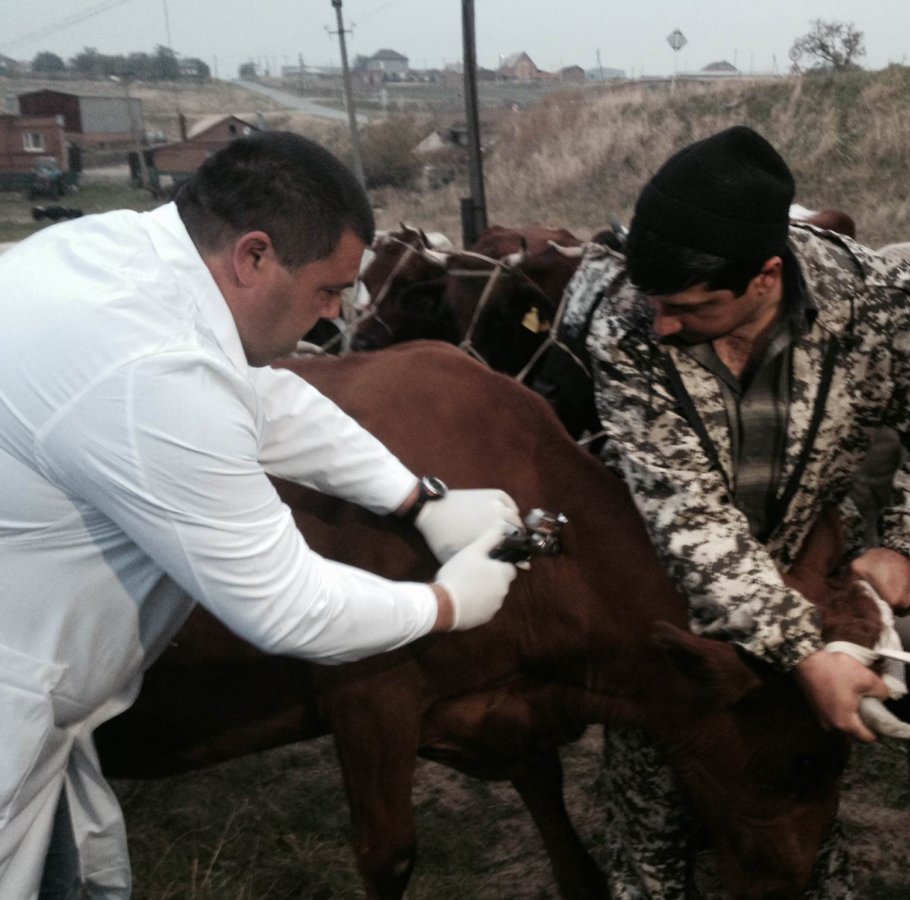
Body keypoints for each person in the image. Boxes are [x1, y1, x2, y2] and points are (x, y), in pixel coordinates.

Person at [0, 131, 521, 900]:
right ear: (253, 256)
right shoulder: (154, 373)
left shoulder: (117, 256)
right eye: (328, 290)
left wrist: (415, 498)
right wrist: (447, 604)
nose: (335, 312)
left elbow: (262, 399)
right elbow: (286, 606)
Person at [573, 126, 910, 897]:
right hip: (664, 585)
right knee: (654, 781)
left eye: (688, 307)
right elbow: (690, 521)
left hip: (808, 560)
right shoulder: (629, 327)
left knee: (797, 768)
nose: (662, 324)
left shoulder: (879, 301)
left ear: (767, 276)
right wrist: (807, 651)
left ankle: (810, 871)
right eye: (656, 303)